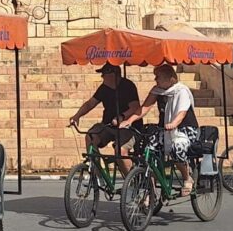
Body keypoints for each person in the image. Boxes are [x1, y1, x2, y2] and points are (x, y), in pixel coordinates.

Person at [67, 63, 141, 173]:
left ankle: (131, 183)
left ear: (113, 75)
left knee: (120, 151)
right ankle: (98, 174)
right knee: (91, 137)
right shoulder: (104, 88)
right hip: (108, 125)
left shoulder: (128, 86)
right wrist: (77, 116)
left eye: (103, 74)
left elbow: (135, 107)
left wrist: (121, 117)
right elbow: (90, 104)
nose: (102, 77)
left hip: (128, 127)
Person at [150, 64, 200, 196]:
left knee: (177, 148)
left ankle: (186, 177)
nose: (156, 80)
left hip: (185, 130)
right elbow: (143, 108)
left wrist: (173, 123)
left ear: (170, 78)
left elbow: (182, 112)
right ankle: (150, 190)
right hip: (165, 129)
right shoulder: (157, 91)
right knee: (150, 149)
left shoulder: (182, 91)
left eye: (158, 77)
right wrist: (128, 120)